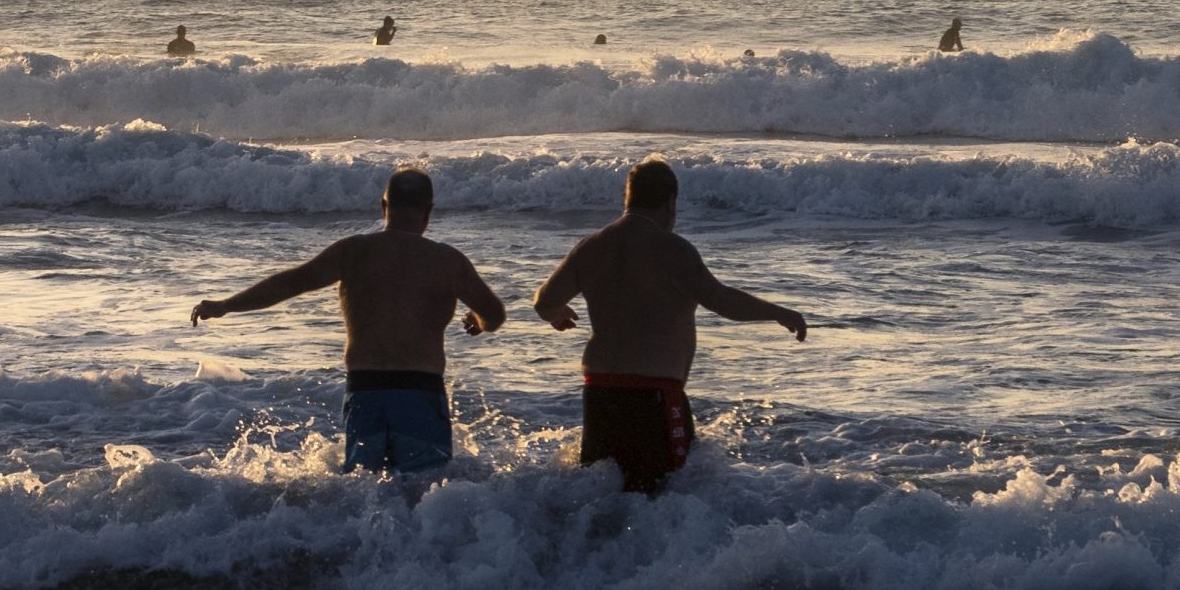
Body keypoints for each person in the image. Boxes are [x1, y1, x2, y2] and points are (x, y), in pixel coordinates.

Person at [191, 167, 506, 478]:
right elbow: (495, 314)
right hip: (419, 393)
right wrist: (478, 320)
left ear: (384, 207)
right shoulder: (448, 261)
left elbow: (289, 284)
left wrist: (225, 305)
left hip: (366, 391)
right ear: (429, 211)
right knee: (424, 493)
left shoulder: (353, 251)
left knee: (362, 494)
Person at [533, 159, 805, 497]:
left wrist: (557, 315)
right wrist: (778, 312)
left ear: (628, 199)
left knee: (601, 498)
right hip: (653, 397)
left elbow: (543, 302)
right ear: (670, 203)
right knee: (664, 499)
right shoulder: (673, 249)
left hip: (599, 392)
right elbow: (721, 300)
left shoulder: (591, 246)